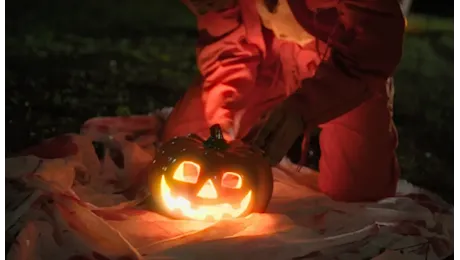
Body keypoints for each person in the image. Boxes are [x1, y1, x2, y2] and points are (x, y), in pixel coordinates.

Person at [162, 0, 405, 202]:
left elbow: (371, 42)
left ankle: (370, 98)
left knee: (357, 193)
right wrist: (223, 113)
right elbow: (227, 47)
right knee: (188, 141)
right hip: (265, 55)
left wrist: (305, 107)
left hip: (338, 63)